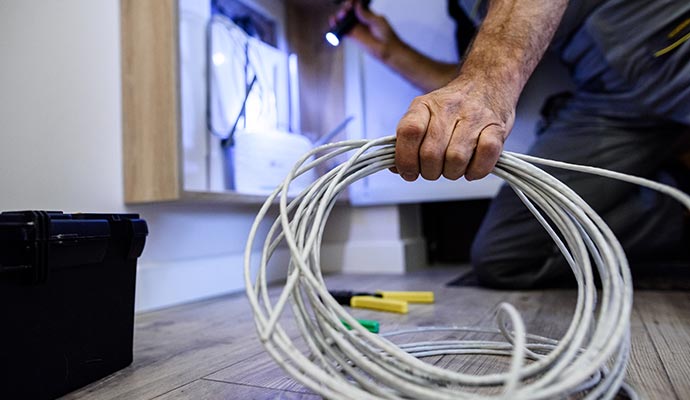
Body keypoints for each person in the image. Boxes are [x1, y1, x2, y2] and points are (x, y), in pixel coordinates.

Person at [332, 0, 690, 288]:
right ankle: (680, 199)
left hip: (673, 36)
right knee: (504, 256)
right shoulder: (462, 9)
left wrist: (487, 84)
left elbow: (481, 80)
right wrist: (387, 50)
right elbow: (459, 82)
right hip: (611, 103)